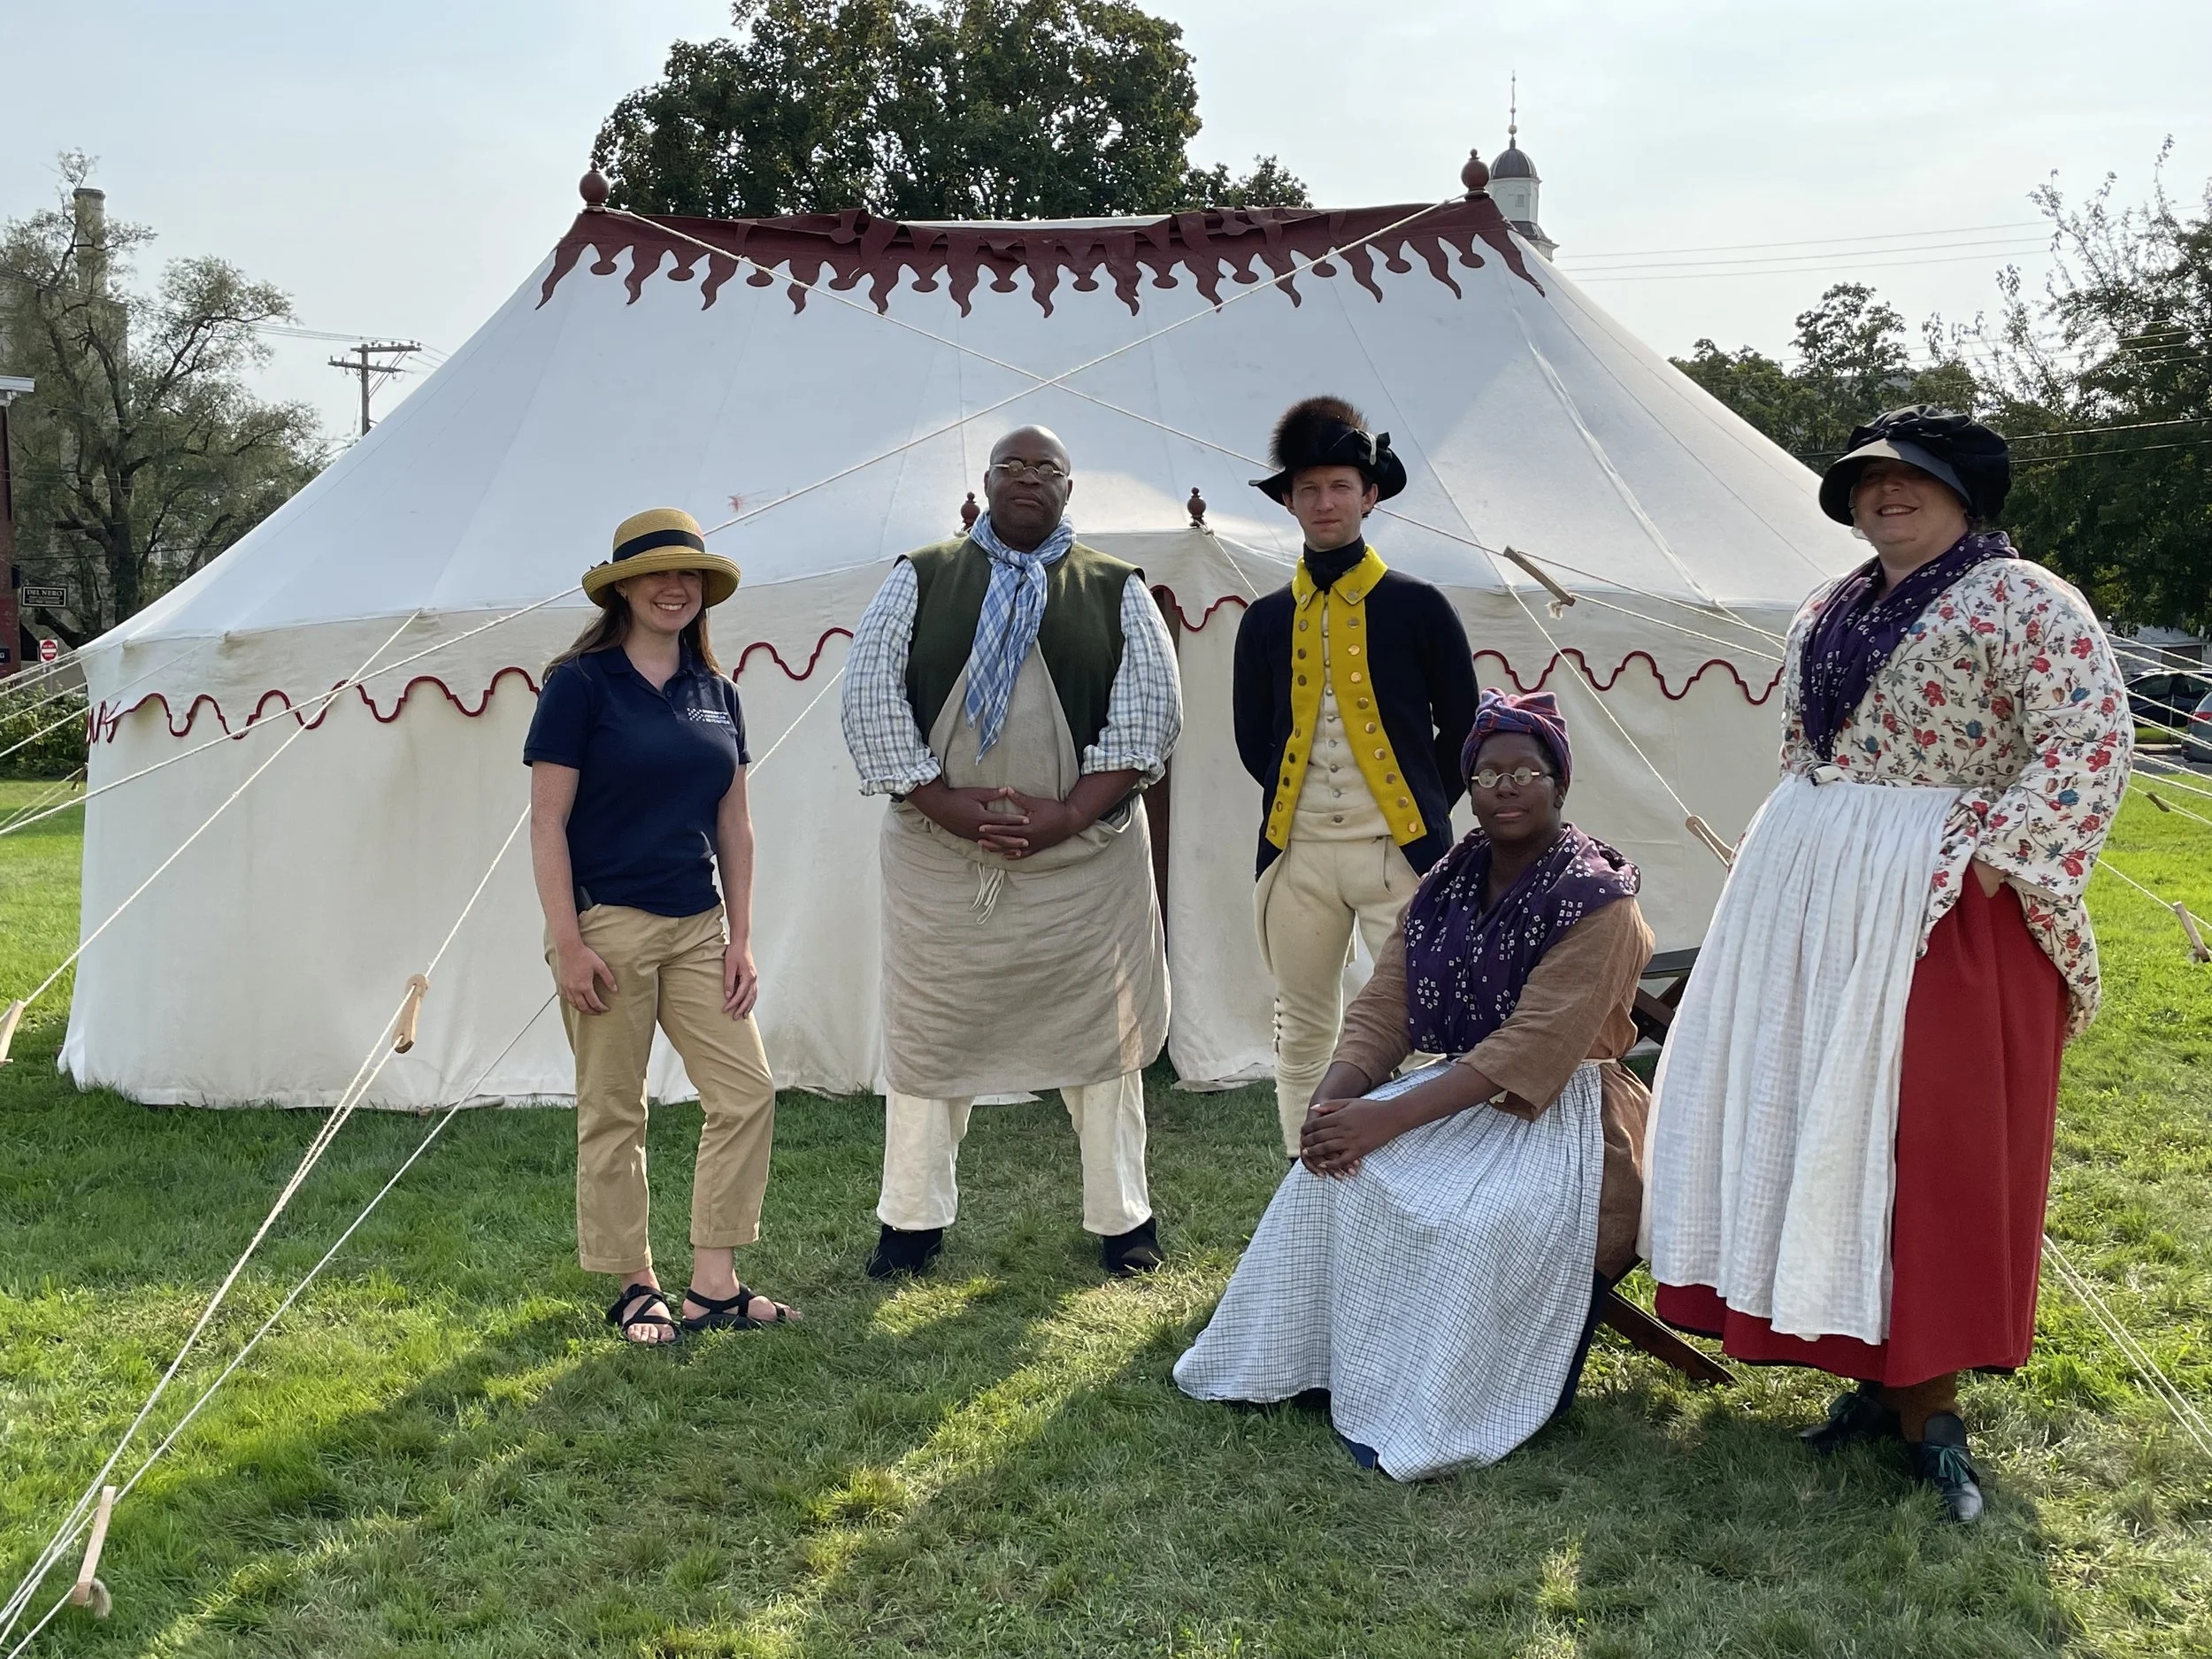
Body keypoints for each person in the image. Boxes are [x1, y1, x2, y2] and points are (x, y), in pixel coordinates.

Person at [1641, 407, 2132, 1522]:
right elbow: (1803, 747)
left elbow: (2090, 736)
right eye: (1864, 482)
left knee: (1928, 1134)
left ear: (1965, 493)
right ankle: (1868, 1366)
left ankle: (1929, 1390)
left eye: (1906, 479)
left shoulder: (2027, 601)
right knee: (1826, 1113)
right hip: (1819, 886)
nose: (1882, 495)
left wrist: (2003, 861)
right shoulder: (1830, 605)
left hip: (1941, 894)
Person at [1176, 690, 1654, 1479]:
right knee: (1329, 1176)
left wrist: (1382, 1120)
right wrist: (1335, 1104)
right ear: (1468, 786)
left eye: (1526, 771)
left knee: (1471, 1224)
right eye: (1489, 772)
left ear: (1559, 785)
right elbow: (1383, 1009)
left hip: (1569, 1112)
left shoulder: (1599, 900)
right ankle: (1312, 1364)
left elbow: (1531, 1047)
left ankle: (1441, 1394)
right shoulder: (1443, 888)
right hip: (1458, 1092)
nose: (1506, 785)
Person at [839, 426, 1183, 1279]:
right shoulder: (918, 576)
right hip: (939, 862)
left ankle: (1123, 1218)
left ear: (1071, 488)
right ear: (986, 482)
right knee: (928, 1039)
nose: (1028, 479)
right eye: (1012, 467)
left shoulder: (1115, 587)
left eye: (1047, 470)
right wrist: (946, 804)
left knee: (1102, 1042)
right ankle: (910, 1224)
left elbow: (1150, 714)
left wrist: (1068, 815)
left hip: (1085, 865)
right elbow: (870, 697)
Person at [525, 507, 800, 1346]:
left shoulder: (718, 693)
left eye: (689, 576)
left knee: (745, 1092)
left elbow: (735, 823)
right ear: (623, 590)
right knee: (616, 1108)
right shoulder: (579, 683)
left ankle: (713, 1285)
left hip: (698, 925)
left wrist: (742, 936)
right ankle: (634, 1284)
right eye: (655, 575)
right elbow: (545, 822)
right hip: (606, 923)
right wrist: (569, 941)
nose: (673, 587)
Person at [1233, 396, 1480, 1158]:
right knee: (1301, 1022)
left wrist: (1421, 812)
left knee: (1424, 1021)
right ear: (1290, 503)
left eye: (1340, 486)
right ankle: (1301, 1178)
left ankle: (1420, 1179)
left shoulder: (1419, 605)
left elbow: (1465, 725)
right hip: (1298, 852)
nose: (1324, 503)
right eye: (1308, 490)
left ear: (1369, 495)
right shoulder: (1267, 618)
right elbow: (1254, 740)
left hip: (1398, 853)